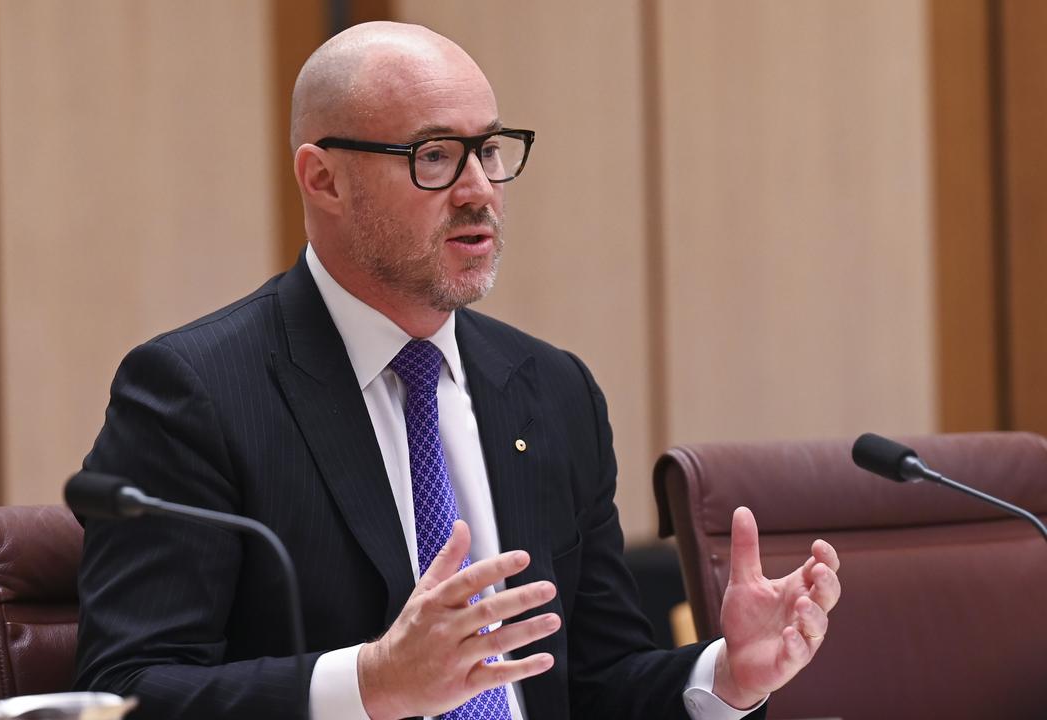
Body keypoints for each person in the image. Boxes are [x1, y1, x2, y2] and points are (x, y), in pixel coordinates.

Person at [74, 21, 841, 720]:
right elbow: (128, 692)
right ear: (323, 179)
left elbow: (597, 682)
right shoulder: (197, 391)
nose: (479, 190)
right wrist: (370, 685)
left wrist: (726, 678)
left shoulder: (550, 389)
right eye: (434, 155)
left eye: (492, 149)